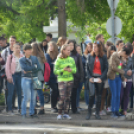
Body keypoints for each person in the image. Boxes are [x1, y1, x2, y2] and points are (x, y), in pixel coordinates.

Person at [107, 43, 133, 118]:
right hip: (112, 77)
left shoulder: (121, 58)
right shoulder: (114, 55)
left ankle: (117, 111)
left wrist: (122, 77)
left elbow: (120, 67)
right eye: (126, 55)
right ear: (124, 53)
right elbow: (113, 67)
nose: (126, 57)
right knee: (114, 95)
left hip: (118, 78)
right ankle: (113, 112)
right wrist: (123, 72)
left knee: (118, 95)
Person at [86, 41, 108, 120]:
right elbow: (87, 68)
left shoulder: (104, 56)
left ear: (99, 47)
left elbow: (106, 68)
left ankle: (97, 113)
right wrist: (89, 77)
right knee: (91, 95)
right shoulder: (89, 56)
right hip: (92, 78)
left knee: (99, 96)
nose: (93, 48)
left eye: (95, 47)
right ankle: (89, 113)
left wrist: (101, 78)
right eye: (93, 47)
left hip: (99, 78)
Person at [54, 44, 76, 120]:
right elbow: (55, 71)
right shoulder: (58, 59)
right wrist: (63, 69)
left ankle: (66, 113)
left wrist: (71, 70)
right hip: (61, 80)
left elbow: (75, 70)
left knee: (68, 97)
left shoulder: (71, 59)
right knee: (62, 96)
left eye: (70, 50)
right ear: (63, 50)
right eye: (68, 50)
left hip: (70, 80)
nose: (69, 52)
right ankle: (59, 113)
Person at [19, 44, 41, 118]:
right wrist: (33, 68)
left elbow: (39, 67)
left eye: (31, 49)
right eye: (28, 50)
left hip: (35, 79)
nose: (30, 51)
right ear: (24, 50)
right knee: (26, 97)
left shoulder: (35, 58)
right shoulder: (21, 60)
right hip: (25, 79)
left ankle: (32, 113)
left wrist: (29, 69)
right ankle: (23, 113)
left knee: (33, 97)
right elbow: (25, 68)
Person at [5, 43, 23, 115]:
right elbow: (7, 68)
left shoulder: (22, 56)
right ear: (13, 49)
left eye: (19, 48)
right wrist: (9, 77)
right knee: (11, 93)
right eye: (16, 48)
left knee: (19, 93)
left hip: (20, 75)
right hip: (12, 75)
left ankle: (20, 109)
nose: (18, 49)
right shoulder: (10, 57)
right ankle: (9, 109)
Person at [1, 36, 17, 111]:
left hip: (16, 73)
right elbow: (2, 63)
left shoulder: (17, 51)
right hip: (7, 73)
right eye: (11, 41)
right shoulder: (5, 51)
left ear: (15, 42)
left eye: (13, 41)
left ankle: (13, 105)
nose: (12, 42)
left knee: (14, 90)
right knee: (7, 90)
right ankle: (8, 106)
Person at [68, 40, 84, 114]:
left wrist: (81, 76)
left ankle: (74, 109)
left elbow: (80, 67)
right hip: (66, 76)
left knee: (74, 94)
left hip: (75, 77)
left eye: (72, 45)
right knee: (67, 94)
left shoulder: (77, 55)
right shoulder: (64, 54)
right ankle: (66, 109)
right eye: (70, 45)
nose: (71, 47)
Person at [31, 42, 46, 115]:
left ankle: (34, 109)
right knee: (40, 94)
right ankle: (42, 108)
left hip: (34, 78)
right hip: (41, 77)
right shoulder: (41, 57)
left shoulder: (33, 58)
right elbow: (43, 69)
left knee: (34, 94)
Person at [100, 41, 114, 115]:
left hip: (109, 77)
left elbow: (119, 66)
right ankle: (100, 109)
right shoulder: (105, 57)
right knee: (101, 94)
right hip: (102, 77)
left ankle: (108, 107)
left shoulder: (106, 56)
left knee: (107, 94)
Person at [45, 41, 59, 113]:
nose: (50, 47)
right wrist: (55, 64)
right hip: (51, 77)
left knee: (58, 91)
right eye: (49, 46)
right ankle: (53, 107)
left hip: (58, 76)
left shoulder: (58, 54)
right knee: (54, 90)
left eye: (52, 46)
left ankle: (56, 106)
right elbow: (48, 65)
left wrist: (54, 64)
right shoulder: (47, 55)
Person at [120, 43, 133, 115]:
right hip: (122, 79)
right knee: (121, 94)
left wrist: (131, 71)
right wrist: (124, 73)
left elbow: (133, 68)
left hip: (129, 79)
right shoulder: (120, 60)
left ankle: (125, 109)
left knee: (126, 94)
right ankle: (119, 108)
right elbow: (118, 69)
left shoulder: (131, 59)